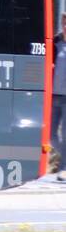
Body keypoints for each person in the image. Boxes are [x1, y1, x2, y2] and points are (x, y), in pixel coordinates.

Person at [54, 12, 65, 179]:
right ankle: (61, 158)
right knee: (49, 134)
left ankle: (64, 167)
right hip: (54, 94)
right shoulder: (55, 42)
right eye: (64, 23)